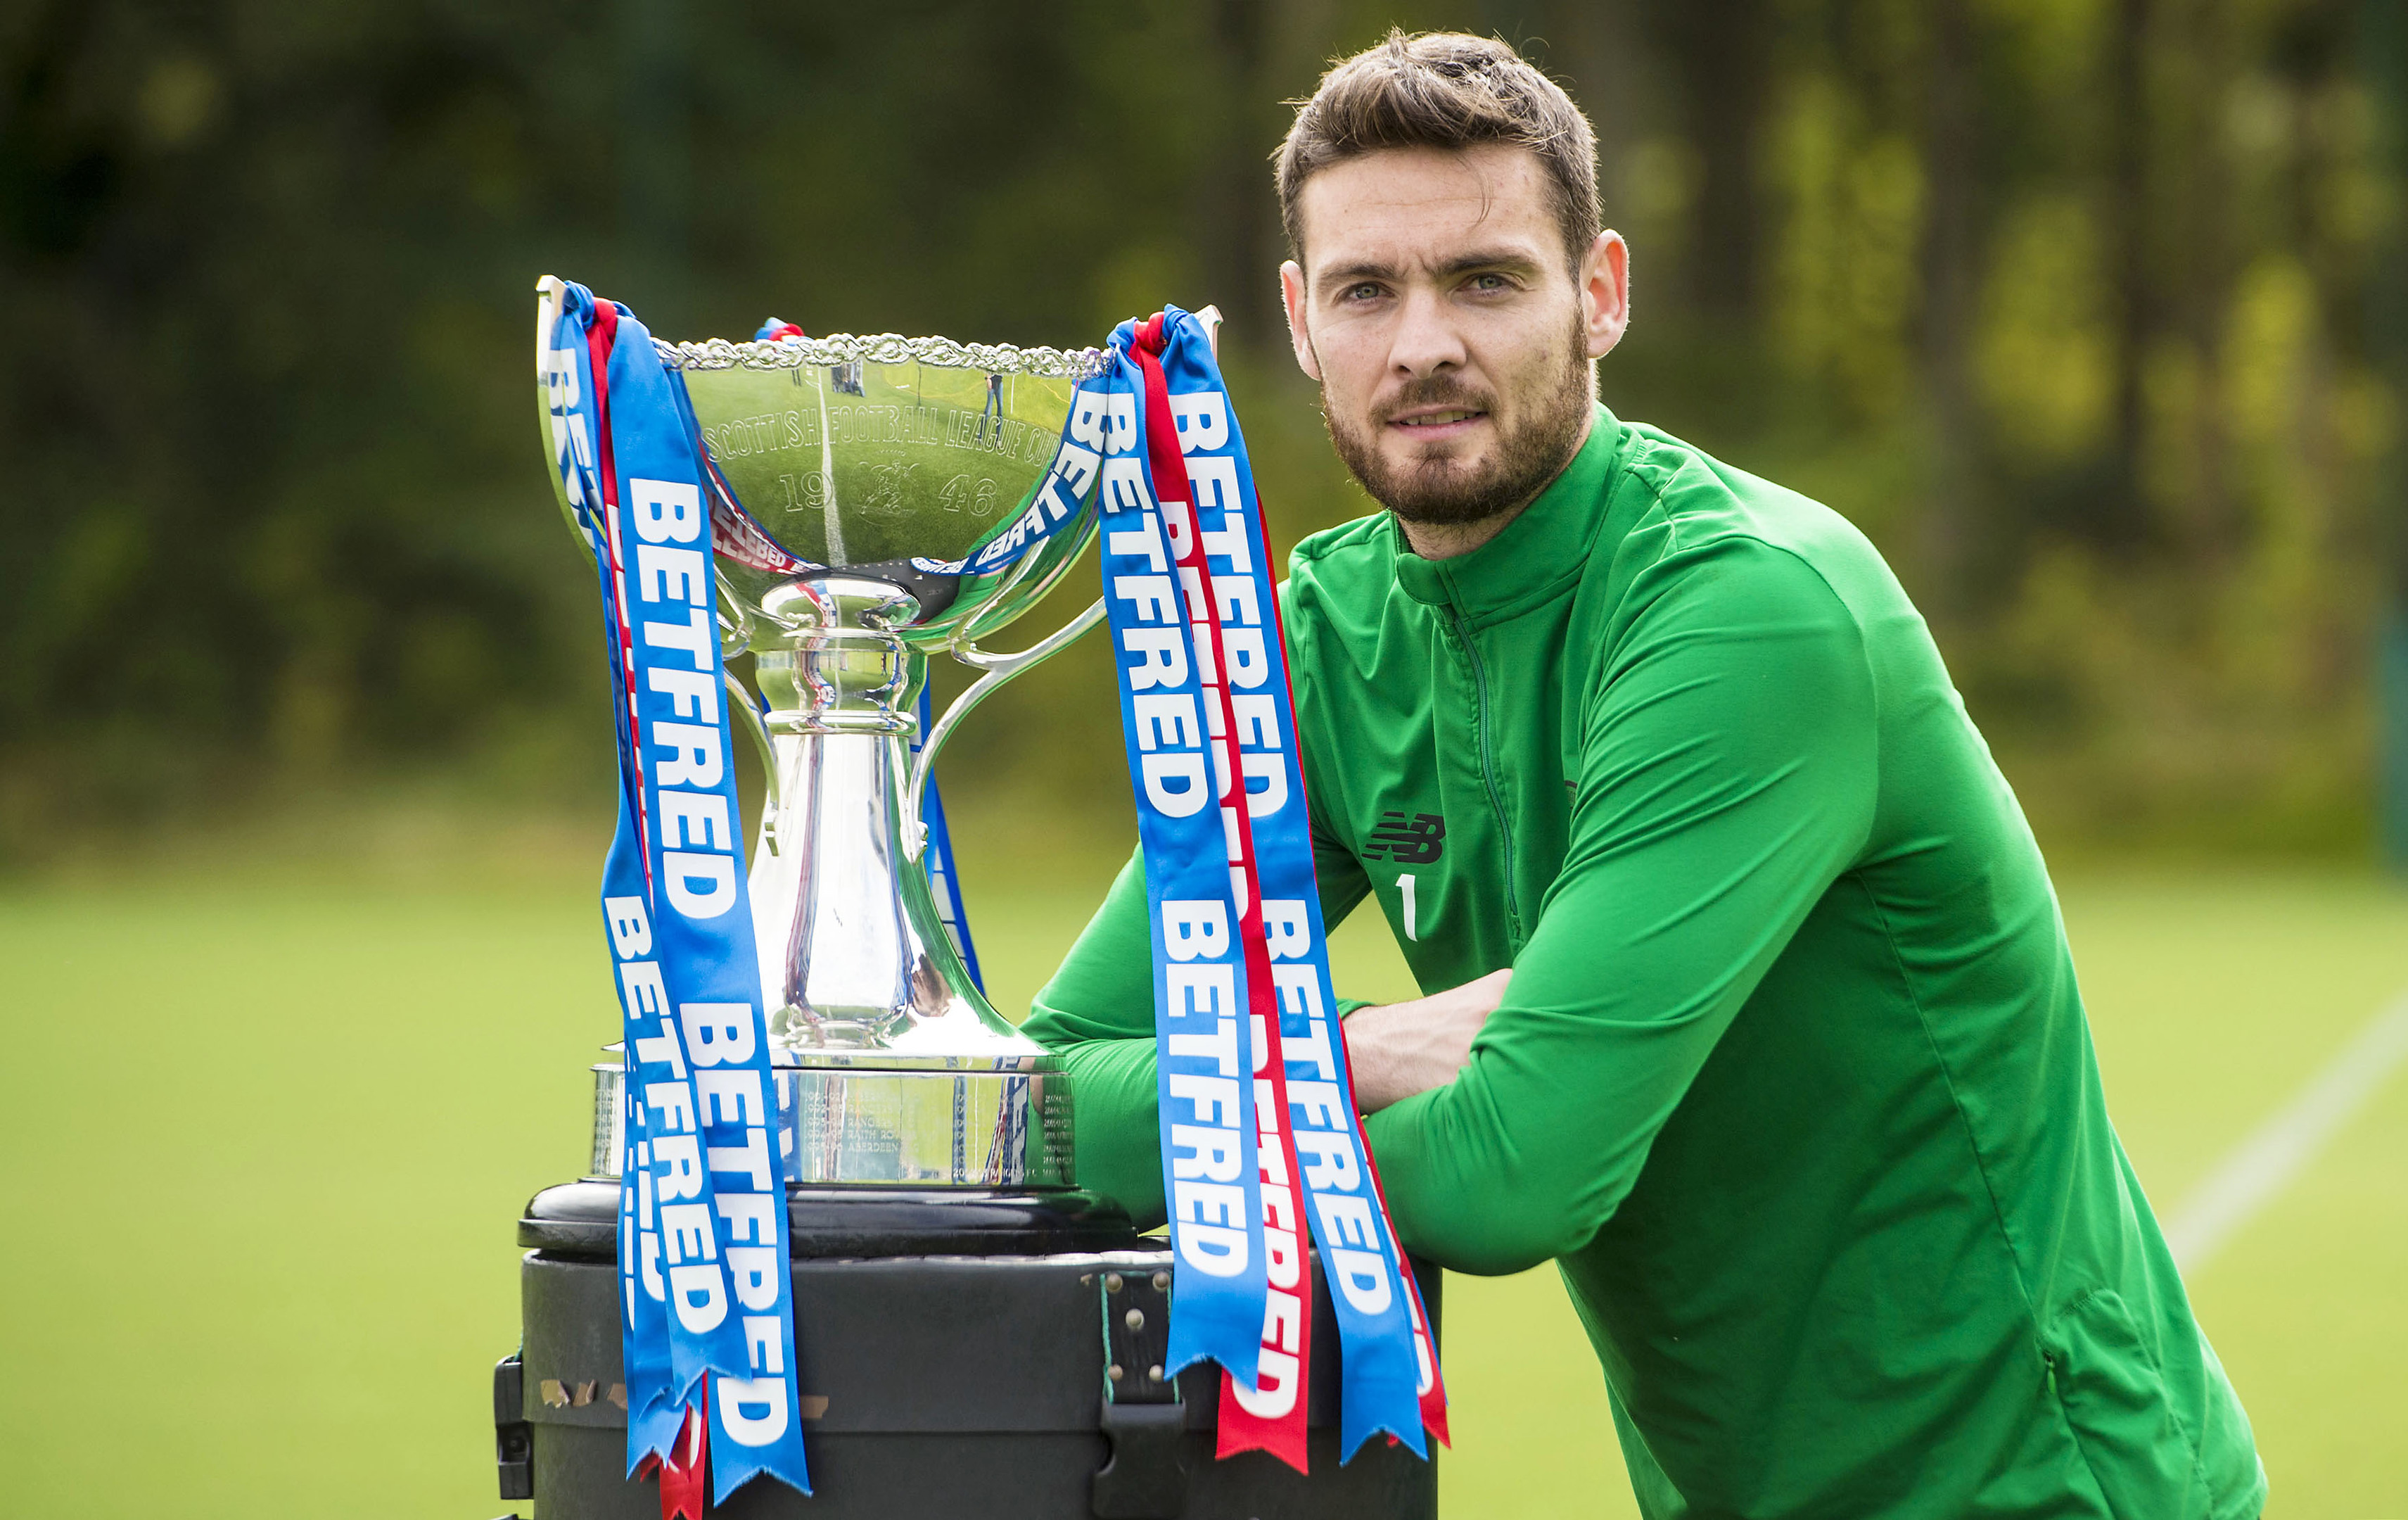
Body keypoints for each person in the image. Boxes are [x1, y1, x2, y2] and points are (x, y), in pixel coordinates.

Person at [1024, 29, 2263, 1520]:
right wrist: (1356, 1047)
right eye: (1366, 289)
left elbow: (1510, 1176)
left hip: (2038, 1490)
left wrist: (1259, 1073)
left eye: (1484, 279)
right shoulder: (1321, 634)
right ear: (1298, 320)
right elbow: (1044, 1089)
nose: (1422, 342)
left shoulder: (1745, 611)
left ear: (1598, 293)